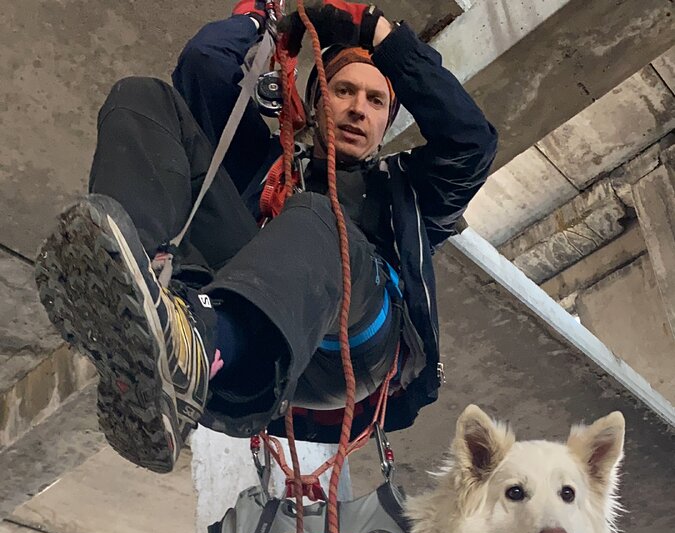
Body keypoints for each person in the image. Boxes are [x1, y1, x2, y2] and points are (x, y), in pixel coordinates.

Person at [36, 1, 497, 474]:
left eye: (376, 101)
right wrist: (262, 20)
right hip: (262, 331)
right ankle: (141, 299)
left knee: (320, 215)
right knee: (142, 97)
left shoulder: (410, 190)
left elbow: (472, 141)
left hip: (353, 345)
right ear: (316, 104)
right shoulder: (270, 169)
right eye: (343, 91)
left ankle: (201, 345)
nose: (358, 108)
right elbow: (204, 66)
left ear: (386, 121)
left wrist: (375, 30)